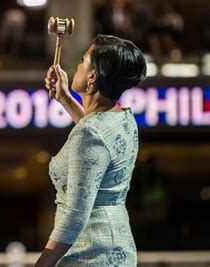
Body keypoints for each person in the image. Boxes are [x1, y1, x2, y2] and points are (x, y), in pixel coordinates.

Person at [36, 34, 147, 266]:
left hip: (90, 252)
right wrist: (65, 98)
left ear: (93, 76)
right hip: (116, 247)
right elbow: (96, 139)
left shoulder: (89, 134)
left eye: (83, 60)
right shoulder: (123, 119)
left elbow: (75, 216)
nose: (77, 65)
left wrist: (42, 264)